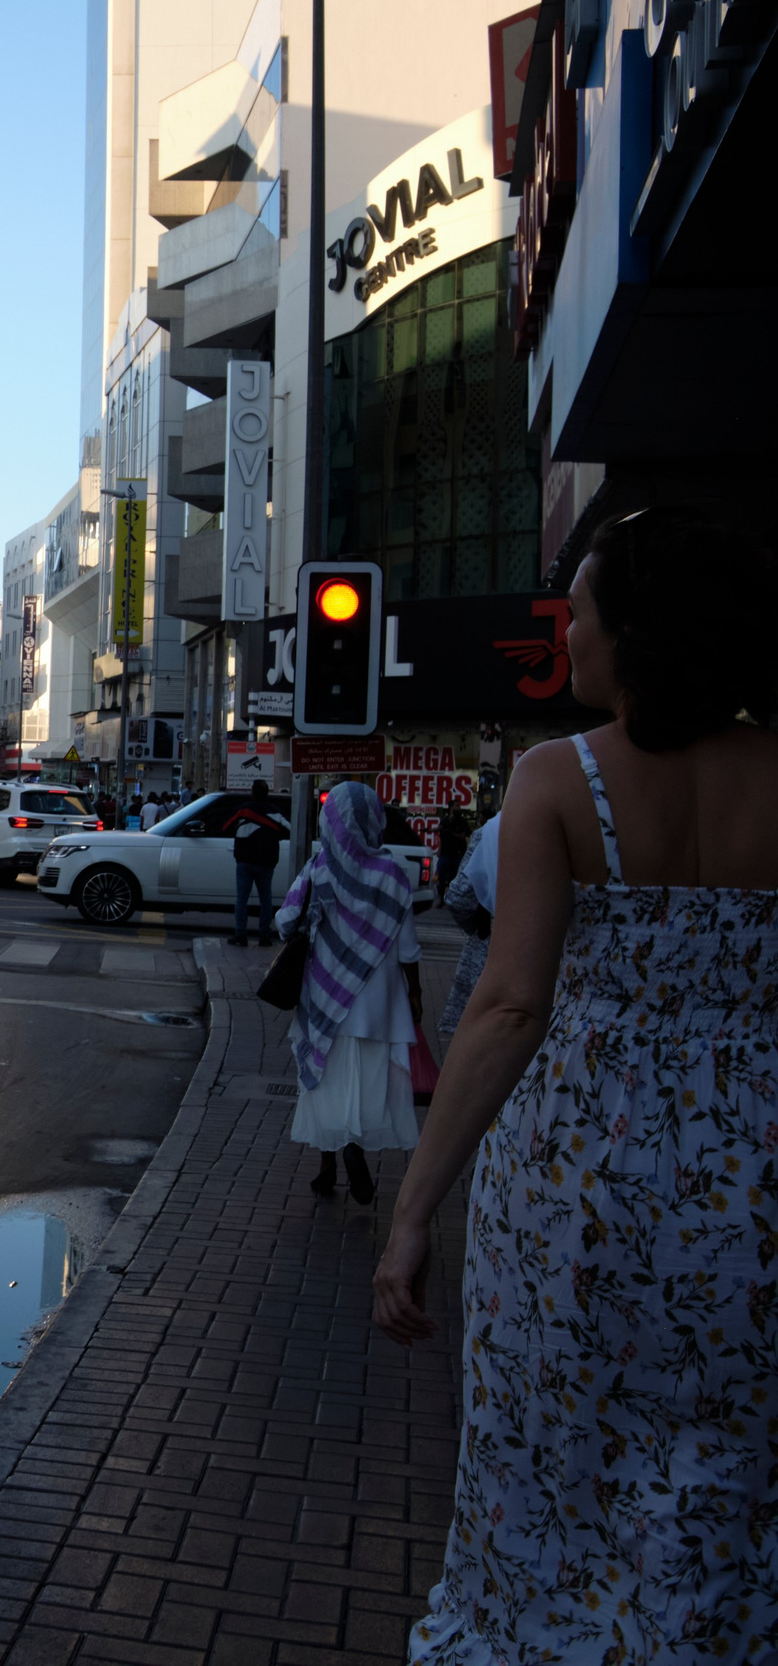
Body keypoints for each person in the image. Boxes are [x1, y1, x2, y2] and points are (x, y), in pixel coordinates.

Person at [375, 508, 778, 1663]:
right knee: (727, 1468)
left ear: (637, 634)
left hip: (576, 1178)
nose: (569, 632)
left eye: (583, 611)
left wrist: (413, 1216)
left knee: (548, 1462)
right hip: (746, 1179)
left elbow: (508, 1007)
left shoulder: (559, 778)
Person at [275, 780, 422, 1205]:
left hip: (325, 996)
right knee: (370, 1081)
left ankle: (328, 1165)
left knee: (322, 1075)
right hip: (380, 1003)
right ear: (375, 819)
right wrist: (416, 995)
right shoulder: (394, 874)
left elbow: (286, 921)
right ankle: (355, 1145)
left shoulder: (320, 868)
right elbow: (408, 946)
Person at [434, 809, 500, 1034]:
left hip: (493, 952)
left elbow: (459, 897)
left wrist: (478, 926)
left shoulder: (493, 831)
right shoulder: (578, 829)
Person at [227, 780, 287, 946]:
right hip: (267, 860)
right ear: (267, 793)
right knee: (266, 900)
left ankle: (241, 935)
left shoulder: (243, 810)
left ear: (253, 792)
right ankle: (264, 936)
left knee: (242, 900)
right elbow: (288, 829)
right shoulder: (275, 811)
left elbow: (226, 826)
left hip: (245, 860)